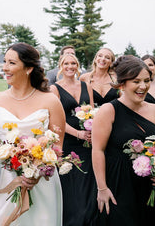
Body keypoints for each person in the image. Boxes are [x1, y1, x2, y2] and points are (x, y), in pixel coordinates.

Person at [0, 42, 66, 225]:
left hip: (40, 182)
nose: (4, 68)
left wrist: (35, 172)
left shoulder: (51, 101)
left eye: (11, 63)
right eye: (4, 61)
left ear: (28, 68)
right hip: (2, 178)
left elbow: (57, 147)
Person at [92, 55, 155, 225]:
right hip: (118, 184)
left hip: (150, 186)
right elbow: (98, 150)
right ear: (122, 83)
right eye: (136, 81)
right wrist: (102, 188)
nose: (143, 86)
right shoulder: (108, 110)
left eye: (147, 80)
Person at [49, 53, 97, 226]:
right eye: (66, 63)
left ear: (77, 66)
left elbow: (92, 110)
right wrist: (77, 133)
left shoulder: (86, 85)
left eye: (73, 63)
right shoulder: (54, 89)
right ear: (61, 66)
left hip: (87, 142)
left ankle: (88, 220)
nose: (70, 66)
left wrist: (91, 129)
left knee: (88, 184)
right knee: (72, 186)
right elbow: (55, 118)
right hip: (68, 142)